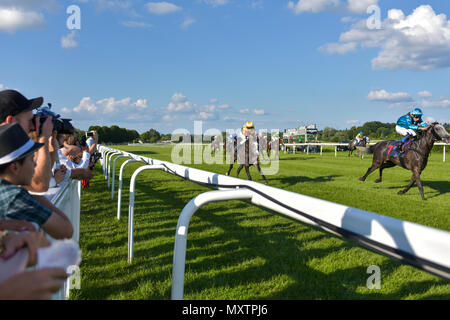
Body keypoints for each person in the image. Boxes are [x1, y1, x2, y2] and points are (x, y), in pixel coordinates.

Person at [0, 123, 73, 239]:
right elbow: (66, 230)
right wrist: (33, 194)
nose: (34, 164)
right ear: (14, 167)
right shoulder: (15, 197)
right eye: (31, 160)